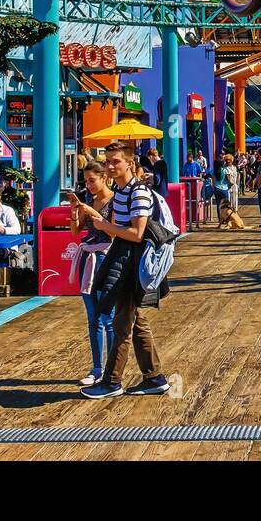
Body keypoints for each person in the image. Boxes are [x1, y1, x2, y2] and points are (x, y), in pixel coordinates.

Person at [81, 143, 171, 399]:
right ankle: (154, 377)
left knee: (122, 323)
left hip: (132, 261)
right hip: (124, 258)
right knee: (135, 320)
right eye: (108, 161)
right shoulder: (121, 191)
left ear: (130, 164)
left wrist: (106, 226)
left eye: (116, 161)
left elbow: (137, 233)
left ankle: (111, 382)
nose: (110, 166)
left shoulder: (138, 193)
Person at [64, 161, 117, 387]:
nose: (89, 185)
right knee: (92, 318)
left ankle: (113, 368)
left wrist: (91, 210)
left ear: (104, 178)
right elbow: (76, 232)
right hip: (87, 256)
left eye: (92, 180)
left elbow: (113, 230)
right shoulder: (88, 200)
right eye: (86, 181)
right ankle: (97, 367)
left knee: (108, 317)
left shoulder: (116, 201)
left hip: (105, 257)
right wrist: (76, 213)